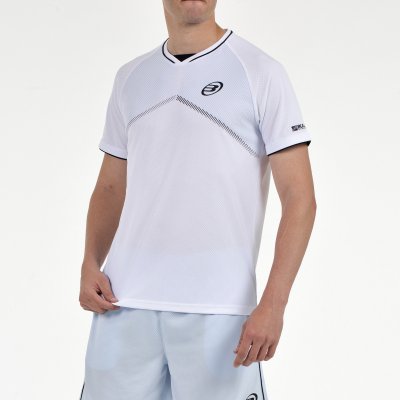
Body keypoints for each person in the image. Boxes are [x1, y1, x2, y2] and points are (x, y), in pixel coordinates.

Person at [78, 1, 316, 399]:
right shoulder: (131, 77)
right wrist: (89, 261)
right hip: (123, 306)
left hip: (220, 314)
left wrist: (274, 304)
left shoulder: (260, 72)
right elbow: (110, 188)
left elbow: (300, 197)